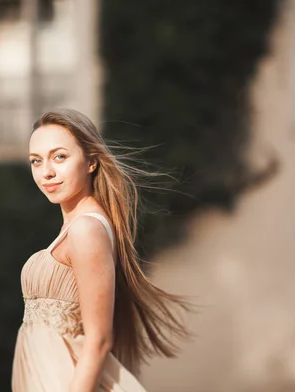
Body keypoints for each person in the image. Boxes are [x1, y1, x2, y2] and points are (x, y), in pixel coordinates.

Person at [12, 109, 190, 392]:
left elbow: (99, 340)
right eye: (36, 161)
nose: (46, 172)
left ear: (91, 162)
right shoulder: (75, 228)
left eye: (59, 157)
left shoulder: (86, 230)